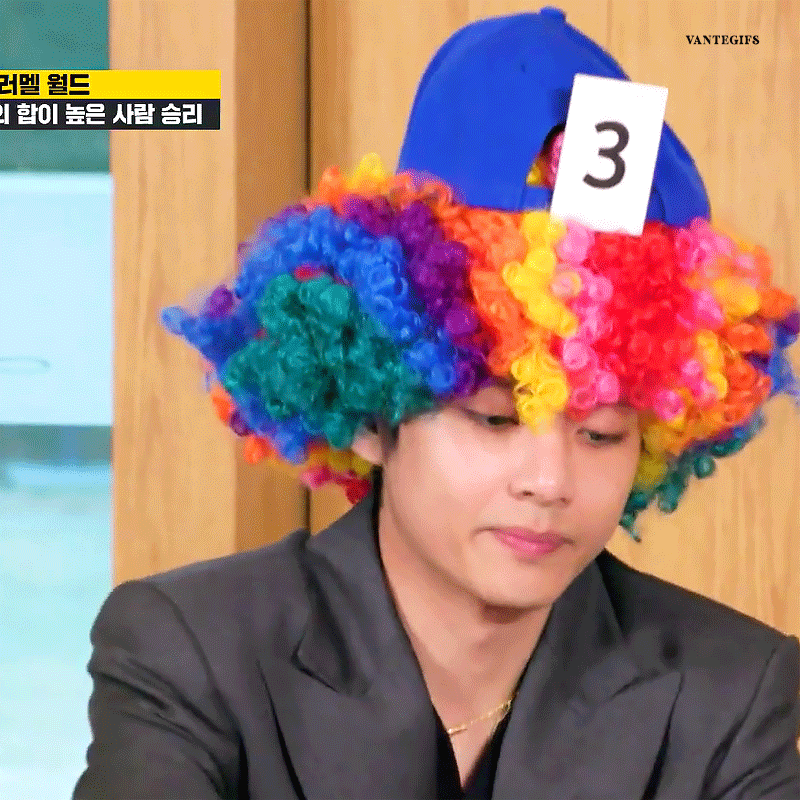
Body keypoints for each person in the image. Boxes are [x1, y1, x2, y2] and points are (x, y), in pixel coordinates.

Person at [74, 7, 800, 799]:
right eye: (494, 418)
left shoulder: (733, 692)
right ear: (374, 410)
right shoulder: (191, 653)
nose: (550, 481)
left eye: (600, 432)